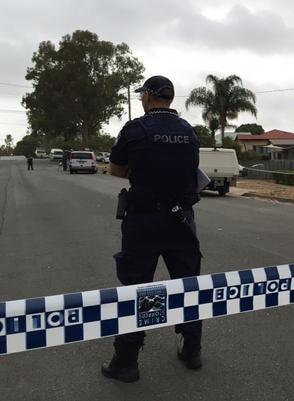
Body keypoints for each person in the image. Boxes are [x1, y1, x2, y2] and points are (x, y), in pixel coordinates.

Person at [101, 75, 202, 383]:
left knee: (138, 289)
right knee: (188, 286)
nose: (141, 98)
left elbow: (116, 169)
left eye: (142, 94)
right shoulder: (190, 131)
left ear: (148, 95)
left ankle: (127, 362)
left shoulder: (135, 129)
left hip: (144, 220)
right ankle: (192, 350)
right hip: (182, 220)